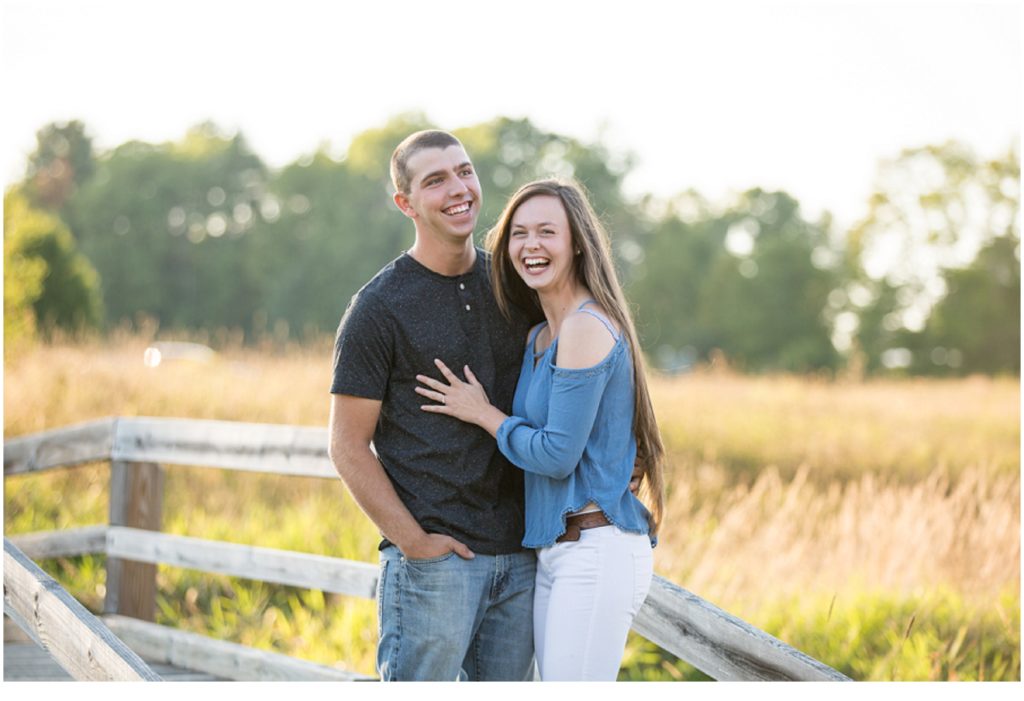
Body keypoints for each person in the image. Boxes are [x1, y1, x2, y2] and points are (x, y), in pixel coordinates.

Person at [415, 178, 666, 681]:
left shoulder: (585, 327)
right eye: (519, 233)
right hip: (555, 553)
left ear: (576, 242)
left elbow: (556, 455)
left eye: (547, 232)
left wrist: (483, 413)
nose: (531, 246)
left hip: (594, 553)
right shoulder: (540, 334)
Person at [328, 130, 537, 681]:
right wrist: (414, 543)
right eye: (436, 179)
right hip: (434, 566)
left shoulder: (513, 288)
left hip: (521, 558)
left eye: (464, 171)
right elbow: (347, 444)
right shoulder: (379, 307)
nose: (458, 188)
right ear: (407, 203)